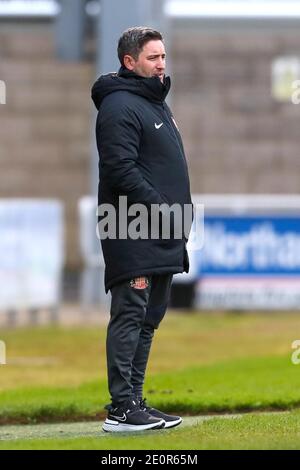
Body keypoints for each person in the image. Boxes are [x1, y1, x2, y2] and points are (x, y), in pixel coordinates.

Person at [91, 26, 193, 433]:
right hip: (130, 226)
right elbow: (119, 169)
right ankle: (121, 408)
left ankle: (134, 402)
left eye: (164, 57)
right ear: (129, 62)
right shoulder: (119, 107)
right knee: (131, 314)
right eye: (153, 58)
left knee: (150, 316)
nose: (162, 64)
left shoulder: (155, 104)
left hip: (161, 228)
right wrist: (162, 208)